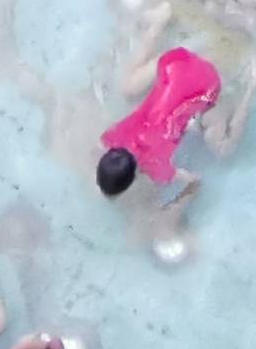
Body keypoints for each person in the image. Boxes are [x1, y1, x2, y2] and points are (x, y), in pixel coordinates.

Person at [92, 39, 228, 216]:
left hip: (208, 87)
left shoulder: (157, 168)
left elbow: (195, 182)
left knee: (208, 138)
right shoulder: (112, 137)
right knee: (130, 91)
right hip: (174, 62)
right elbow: (98, 148)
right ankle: (158, 25)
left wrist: (174, 205)